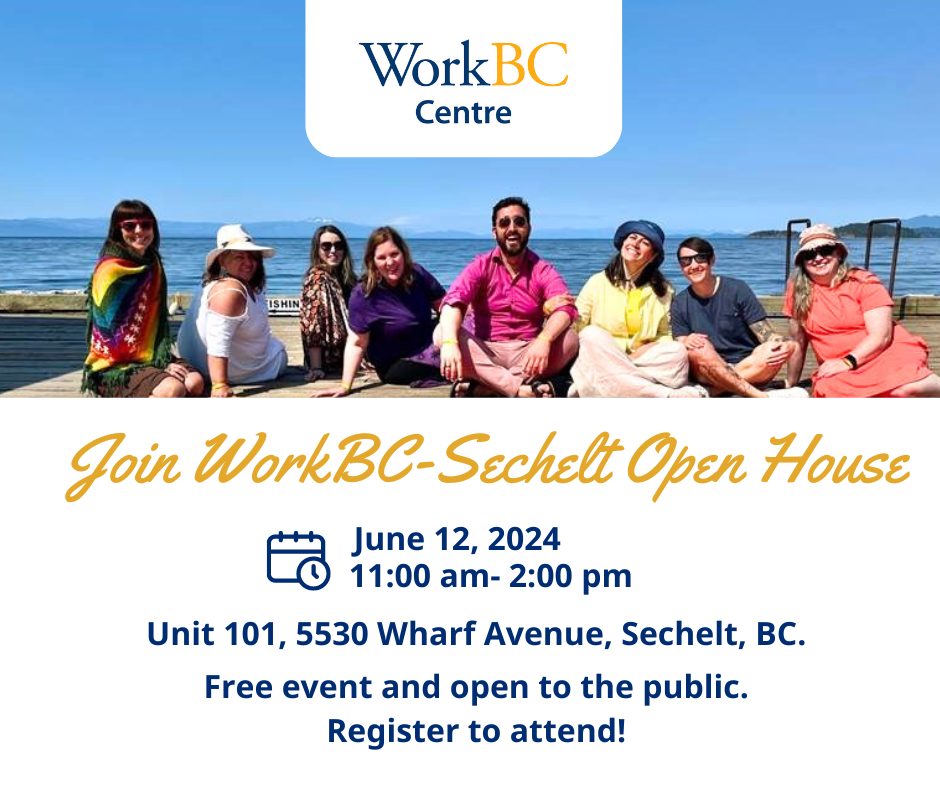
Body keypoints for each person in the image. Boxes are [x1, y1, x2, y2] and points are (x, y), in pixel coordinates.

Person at [437, 196, 579, 397]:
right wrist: (450, 344)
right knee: (441, 333)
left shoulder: (542, 269)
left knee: (570, 339)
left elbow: (566, 309)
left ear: (529, 228)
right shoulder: (480, 266)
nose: (512, 228)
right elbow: (454, 302)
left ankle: (487, 386)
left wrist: (544, 340)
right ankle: (519, 390)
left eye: (519, 222)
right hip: (486, 351)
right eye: (504, 222)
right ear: (495, 231)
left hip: (528, 352)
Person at [784, 224, 940, 397]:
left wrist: (848, 362)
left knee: (904, 389)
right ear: (803, 262)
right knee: (833, 393)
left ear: (838, 253)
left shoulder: (863, 282)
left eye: (825, 250)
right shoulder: (796, 289)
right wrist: (791, 382)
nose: (818, 258)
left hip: (881, 351)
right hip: (838, 363)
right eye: (809, 254)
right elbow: (797, 339)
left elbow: (881, 336)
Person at [569, 220, 706, 398]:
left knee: (677, 352)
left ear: (652, 256)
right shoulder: (597, 282)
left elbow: (665, 333)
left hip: (642, 359)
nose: (635, 243)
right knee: (591, 334)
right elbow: (578, 325)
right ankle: (665, 396)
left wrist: (649, 347)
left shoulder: (664, 290)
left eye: (645, 242)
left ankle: (603, 386)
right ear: (623, 244)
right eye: (632, 237)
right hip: (606, 354)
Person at [82, 199, 203, 398]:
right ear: (117, 230)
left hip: (149, 352)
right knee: (173, 389)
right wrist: (159, 366)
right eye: (129, 226)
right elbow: (114, 337)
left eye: (146, 224)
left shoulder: (153, 263)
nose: (139, 231)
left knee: (195, 383)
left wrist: (162, 361)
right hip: (114, 363)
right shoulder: (110, 271)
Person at [313, 226, 446, 397]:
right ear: (372, 261)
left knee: (462, 329)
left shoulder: (417, 273)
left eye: (394, 254)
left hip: (430, 343)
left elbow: (446, 308)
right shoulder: (364, 294)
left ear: (403, 253)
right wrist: (345, 385)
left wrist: (450, 340)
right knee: (463, 359)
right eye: (382, 257)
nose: (390, 262)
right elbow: (357, 343)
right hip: (397, 363)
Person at [671, 237, 802, 397]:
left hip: (750, 365)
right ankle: (762, 396)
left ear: (712, 260)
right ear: (680, 266)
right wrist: (686, 340)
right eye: (686, 261)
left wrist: (781, 345)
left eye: (700, 258)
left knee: (780, 348)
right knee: (700, 348)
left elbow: (766, 334)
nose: (694, 265)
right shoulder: (679, 302)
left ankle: (711, 392)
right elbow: (680, 342)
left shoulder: (737, 289)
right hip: (708, 369)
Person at [177, 224, 287, 397]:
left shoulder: (209, 284)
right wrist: (219, 385)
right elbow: (217, 340)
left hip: (198, 364)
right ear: (222, 260)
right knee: (279, 351)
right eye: (239, 257)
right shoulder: (230, 291)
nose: (249, 263)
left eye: (253, 256)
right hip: (233, 371)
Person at [299, 225, 357, 382]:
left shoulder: (346, 279)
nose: (333, 251)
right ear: (317, 249)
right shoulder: (317, 279)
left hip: (349, 352)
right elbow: (312, 324)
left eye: (338, 246)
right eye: (326, 246)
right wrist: (317, 367)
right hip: (331, 359)